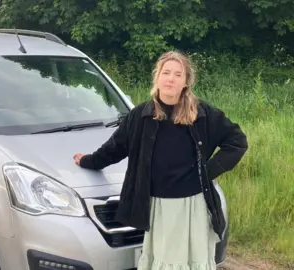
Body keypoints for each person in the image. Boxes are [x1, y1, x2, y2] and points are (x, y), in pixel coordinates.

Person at [73, 50, 248, 269]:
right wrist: (88, 160)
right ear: (157, 77)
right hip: (157, 205)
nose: (171, 79)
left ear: (186, 82)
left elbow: (237, 141)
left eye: (178, 74)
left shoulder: (202, 114)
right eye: (166, 73)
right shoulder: (140, 116)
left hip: (192, 204)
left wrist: (207, 171)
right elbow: (114, 148)